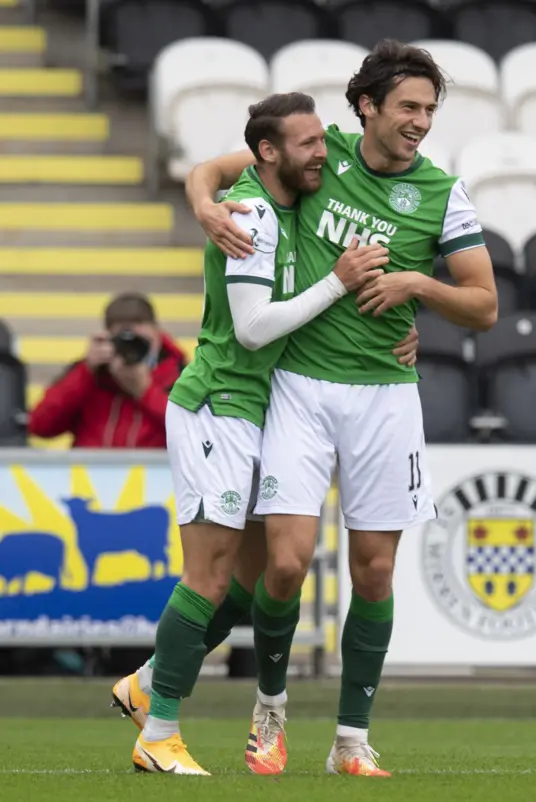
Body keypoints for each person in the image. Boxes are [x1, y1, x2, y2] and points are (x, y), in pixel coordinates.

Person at [182, 39, 498, 777]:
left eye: (429, 109)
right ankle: (270, 710)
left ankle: (351, 742)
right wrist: (202, 204)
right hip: (299, 387)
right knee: (285, 567)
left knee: (375, 573)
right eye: (408, 107)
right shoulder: (320, 156)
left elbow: (483, 305)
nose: (421, 121)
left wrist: (418, 286)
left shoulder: (444, 192)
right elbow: (214, 168)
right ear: (368, 106)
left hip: (387, 397)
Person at [121, 92, 393, 776]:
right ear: (271, 152)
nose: (322, 155)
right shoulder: (255, 216)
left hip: (255, 407)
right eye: (308, 145)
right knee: (208, 577)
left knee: (244, 585)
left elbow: (209, 169)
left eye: (321, 142)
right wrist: (336, 283)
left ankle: (149, 679)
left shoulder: (277, 189)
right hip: (219, 401)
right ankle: (158, 734)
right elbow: (251, 328)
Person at [28, 293, 185, 448]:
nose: (132, 351)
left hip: (155, 472)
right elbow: (40, 425)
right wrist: (86, 370)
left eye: (140, 342)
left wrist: (145, 391)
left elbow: (192, 432)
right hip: (90, 472)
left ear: (157, 333)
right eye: (125, 343)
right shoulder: (91, 376)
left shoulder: (180, 375)